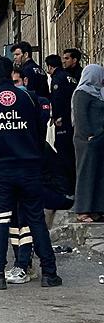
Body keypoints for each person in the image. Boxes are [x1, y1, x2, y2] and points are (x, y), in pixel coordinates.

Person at [0, 57, 62, 290]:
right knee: (35, 218)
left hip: (1, 168)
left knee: (0, 219)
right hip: (29, 167)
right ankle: (49, 273)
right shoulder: (29, 98)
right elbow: (40, 130)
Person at [71, 64, 104, 223]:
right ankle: (83, 210)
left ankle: (96, 209)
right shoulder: (82, 93)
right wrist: (89, 135)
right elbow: (80, 117)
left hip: (98, 140)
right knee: (86, 174)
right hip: (86, 142)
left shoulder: (99, 93)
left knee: (98, 175)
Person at [45, 54, 77, 193]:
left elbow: (57, 99)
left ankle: (68, 187)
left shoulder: (57, 78)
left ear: (50, 66)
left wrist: (56, 116)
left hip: (63, 121)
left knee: (63, 152)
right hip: (73, 120)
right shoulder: (70, 76)